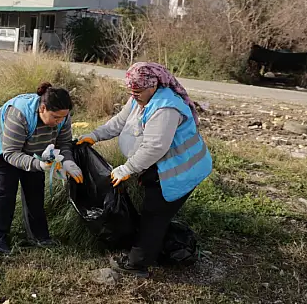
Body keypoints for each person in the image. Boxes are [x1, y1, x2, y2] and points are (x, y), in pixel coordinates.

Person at [78, 62, 212, 278]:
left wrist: (127, 169)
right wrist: (94, 135)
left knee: (154, 215)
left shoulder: (165, 108)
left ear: (153, 85)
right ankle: (156, 244)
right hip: (165, 166)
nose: (134, 95)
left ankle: (137, 264)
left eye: (138, 91)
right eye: (132, 91)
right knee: (155, 215)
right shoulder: (140, 99)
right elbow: (119, 122)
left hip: (181, 172)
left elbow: (155, 147)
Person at [0, 82, 84, 255]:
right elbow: (11, 153)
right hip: (2, 149)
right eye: (56, 118)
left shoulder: (62, 116)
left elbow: (64, 143)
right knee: (5, 193)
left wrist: (68, 162)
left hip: (35, 148)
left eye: (62, 118)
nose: (59, 122)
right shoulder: (20, 114)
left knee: (35, 191)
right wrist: (39, 164)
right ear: (42, 108)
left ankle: (39, 236)